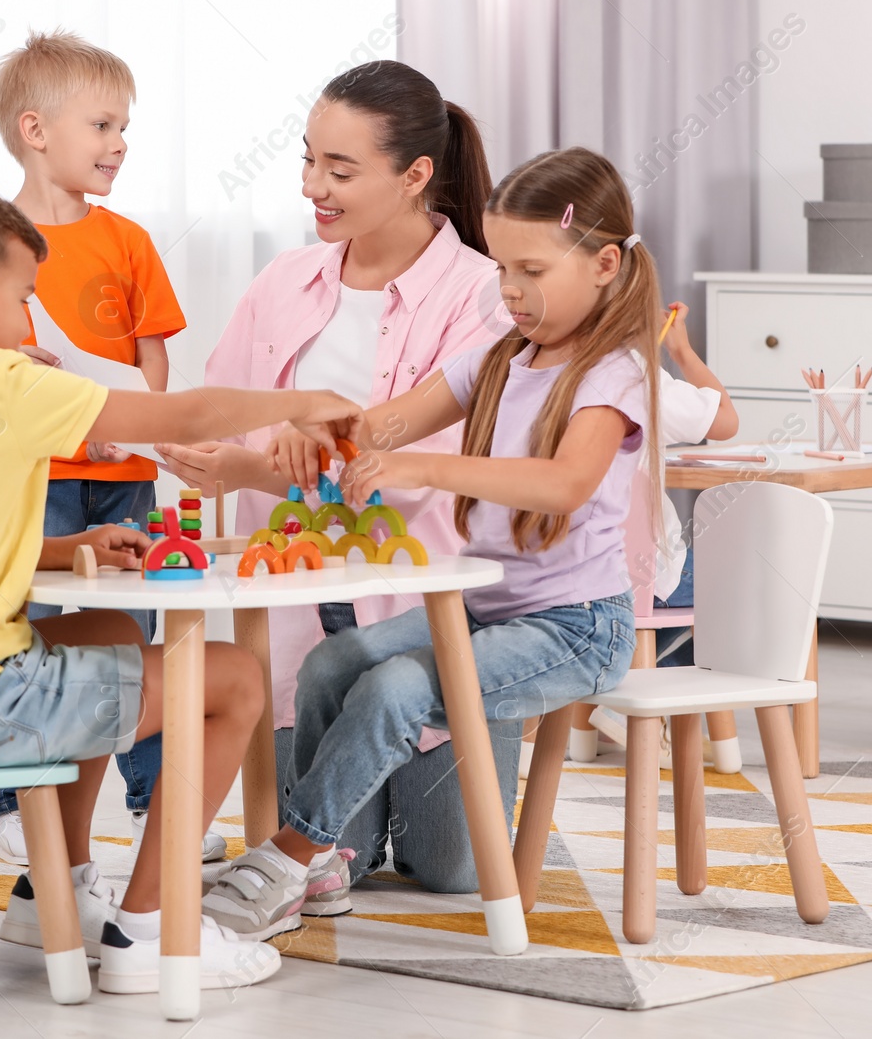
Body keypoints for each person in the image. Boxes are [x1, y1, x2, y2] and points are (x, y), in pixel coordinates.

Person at [0, 178, 361, 991]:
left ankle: (53, 889)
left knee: (112, 630)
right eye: (24, 301)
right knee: (234, 680)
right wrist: (307, 401)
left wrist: (64, 547)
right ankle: (154, 932)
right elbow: (182, 416)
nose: (29, 325)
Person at [197, 146, 663, 938]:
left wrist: (421, 465)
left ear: (605, 264)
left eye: (532, 271)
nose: (509, 291)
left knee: (395, 691)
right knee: (332, 662)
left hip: (576, 627)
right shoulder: (502, 355)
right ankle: (325, 856)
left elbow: (562, 484)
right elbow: (391, 420)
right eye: (503, 271)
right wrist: (323, 431)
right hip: (481, 610)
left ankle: (285, 854)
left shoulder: (610, 373)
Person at [153, 59, 516, 894]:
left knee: (452, 869)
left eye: (341, 169)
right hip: (298, 618)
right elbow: (222, 407)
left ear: (416, 175)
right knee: (327, 864)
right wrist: (202, 453)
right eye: (309, 160)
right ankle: (321, 832)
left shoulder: (482, 297)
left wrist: (266, 459)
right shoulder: (286, 283)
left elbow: (441, 475)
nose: (315, 186)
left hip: (422, 611)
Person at [0, 30, 228, 885]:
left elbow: (150, 354)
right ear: (35, 129)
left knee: (132, 639)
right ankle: (22, 810)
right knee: (43, 636)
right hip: (38, 479)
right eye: (101, 124)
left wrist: (131, 423)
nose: (119, 142)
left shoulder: (127, 241)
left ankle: (153, 803)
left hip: (125, 476)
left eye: (125, 126)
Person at [581, 301, 739, 761]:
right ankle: (636, 696)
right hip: (644, 578)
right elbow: (726, 421)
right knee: (731, 588)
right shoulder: (639, 378)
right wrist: (683, 352)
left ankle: (613, 701)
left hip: (574, 579)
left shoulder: (533, 365)